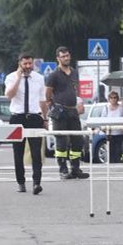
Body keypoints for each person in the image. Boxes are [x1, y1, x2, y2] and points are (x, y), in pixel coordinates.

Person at [5, 53, 47, 194]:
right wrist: (18, 78)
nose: (28, 66)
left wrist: (45, 118)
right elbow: (9, 95)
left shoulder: (39, 78)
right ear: (20, 64)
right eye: (25, 64)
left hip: (35, 117)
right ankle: (21, 182)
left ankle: (36, 183)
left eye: (30, 63)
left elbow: (42, 100)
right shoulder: (11, 77)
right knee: (18, 152)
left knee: (36, 153)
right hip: (18, 117)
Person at [45, 46, 89, 180]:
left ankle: (75, 169)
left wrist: (79, 102)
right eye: (63, 56)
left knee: (77, 140)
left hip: (73, 110)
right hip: (60, 111)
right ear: (58, 58)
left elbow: (76, 90)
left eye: (67, 55)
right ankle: (63, 169)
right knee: (62, 142)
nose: (66, 58)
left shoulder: (74, 72)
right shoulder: (54, 75)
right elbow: (48, 94)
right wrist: (52, 106)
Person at [104, 91, 123, 163]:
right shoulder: (106, 108)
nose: (113, 99)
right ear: (109, 99)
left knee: (119, 151)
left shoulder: (121, 107)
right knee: (111, 152)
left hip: (120, 133)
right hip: (110, 134)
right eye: (111, 97)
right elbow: (103, 120)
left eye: (115, 97)